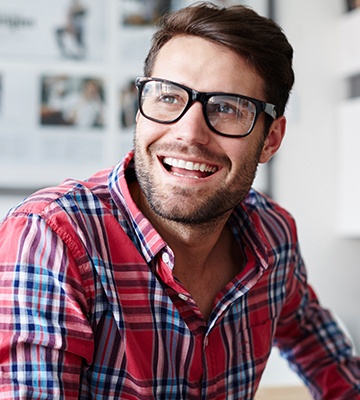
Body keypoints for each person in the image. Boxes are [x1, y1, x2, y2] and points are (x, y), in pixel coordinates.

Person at [0, 2, 359, 399]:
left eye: (226, 108)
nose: (189, 134)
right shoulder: (51, 239)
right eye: (168, 97)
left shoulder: (273, 236)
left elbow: (318, 344)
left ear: (270, 139)